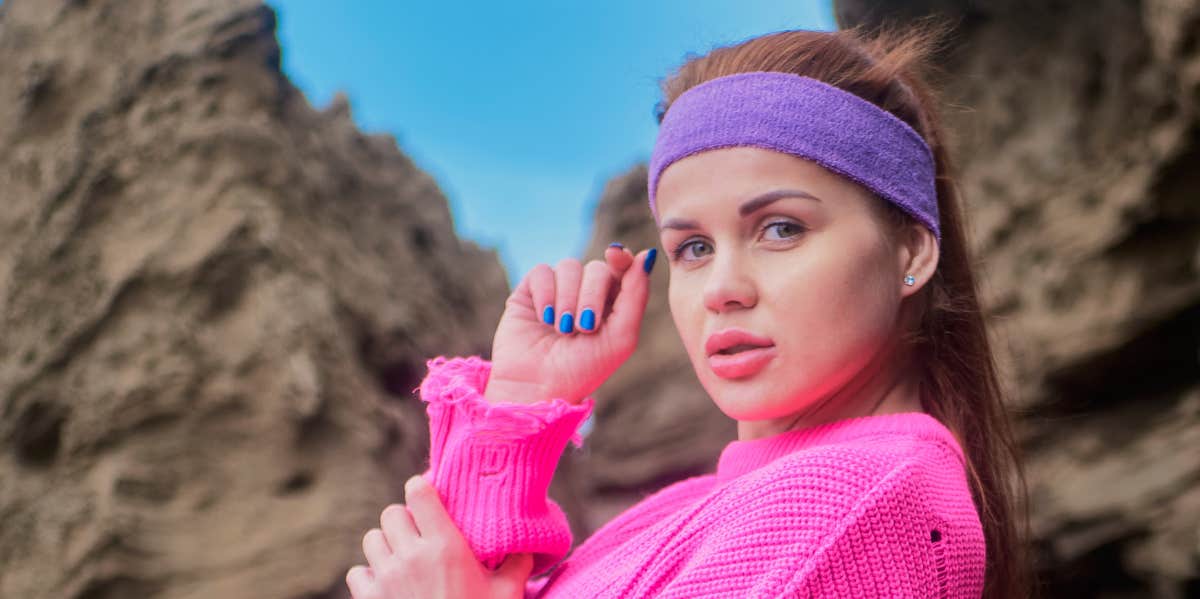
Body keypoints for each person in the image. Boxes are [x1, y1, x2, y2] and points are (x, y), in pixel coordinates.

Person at [347, 23, 1034, 599]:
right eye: (694, 247)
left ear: (911, 249)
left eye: (782, 228)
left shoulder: (863, 498)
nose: (722, 287)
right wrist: (522, 402)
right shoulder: (709, 506)